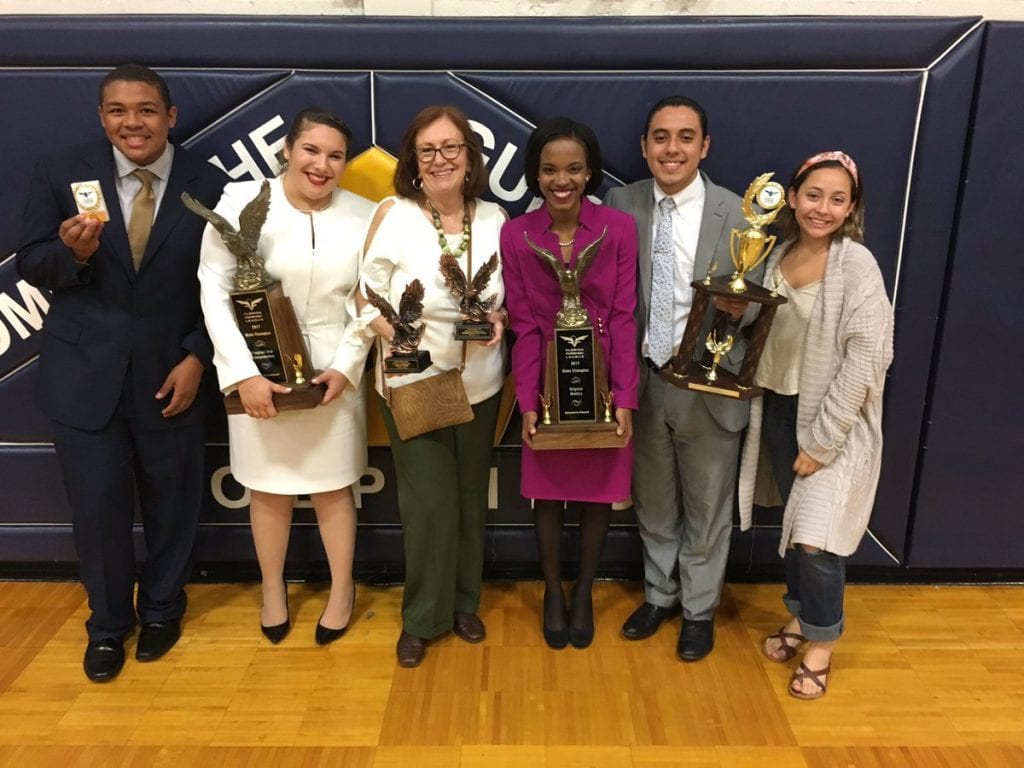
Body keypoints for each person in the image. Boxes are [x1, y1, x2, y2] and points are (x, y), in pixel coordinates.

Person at [16, 64, 228, 682]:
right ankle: (108, 627)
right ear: (101, 116)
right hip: (84, 377)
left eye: (144, 110)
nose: (131, 123)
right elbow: (33, 262)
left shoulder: (210, 185)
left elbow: (220, 288)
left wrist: (198, 356)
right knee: (99, 510)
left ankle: (162, 610)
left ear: (171, 117)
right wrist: (73, 255)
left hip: (173, 376)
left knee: (174, 505)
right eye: (117, 110)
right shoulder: (62, 171)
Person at [198, 108, 375, 646]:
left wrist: (346, 367)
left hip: (331, 376)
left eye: (335, 155)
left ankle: (341, 591)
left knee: (333, 488)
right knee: (268, 490)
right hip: (259, 374)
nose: (322, 165)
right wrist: (243, 375)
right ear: (287, 150)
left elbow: (370, 301)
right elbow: (213, 288)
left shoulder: (368, 214)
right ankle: (273, 590)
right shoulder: (242, 203)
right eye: (311, 151)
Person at [604, 95, 756, 662]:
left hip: (708, 386)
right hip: (642, 383)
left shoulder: (741, 216)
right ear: (644, 146)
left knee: (708, 506)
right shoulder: (621, 203)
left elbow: (762, 300)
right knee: (655, 502)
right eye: (661, 137)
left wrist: (745, 312)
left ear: (704, 146)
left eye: (685, 137)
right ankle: (659, 594)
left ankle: (698, 609)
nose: (673, 148)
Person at [356, 105, 507, 668]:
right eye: (427, 150)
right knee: (426, 503)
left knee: (469, 497)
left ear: (469, 156)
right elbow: (362, 294)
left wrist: (500, 320)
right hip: (414, 379)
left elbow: (507, 301)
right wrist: (388, 331)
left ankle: (464, 603)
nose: (440, 159)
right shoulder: (394, 213)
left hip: (480, 383)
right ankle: (422, 618)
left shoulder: (494, 217)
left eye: (451, 147)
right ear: (413, 161)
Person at [739, 150, 893, 700]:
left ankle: (823, 643)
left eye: (837, 199)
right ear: (794, 196)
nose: (822, 208)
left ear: (851, 207)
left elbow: (869, 356)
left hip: (832, 422)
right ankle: (801, 618)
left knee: (819, 540)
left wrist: (826, 440)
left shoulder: (856, 265)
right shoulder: (775, 253)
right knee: (795, 530)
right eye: (813, 195)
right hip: (780, 409)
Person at [500, 117, 638, 650]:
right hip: (548, 387)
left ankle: (583, 594)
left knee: (598, 493)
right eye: (551, 169)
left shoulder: (619, 228)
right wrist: (528, 399)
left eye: (574, 169)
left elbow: (624, 316)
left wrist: (625, 396)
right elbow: (524, 325)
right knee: (550, 495)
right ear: (536, 175)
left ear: (590, 173)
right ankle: (553, 594)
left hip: (604, 381)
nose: (563, 180)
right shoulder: (516, 234)